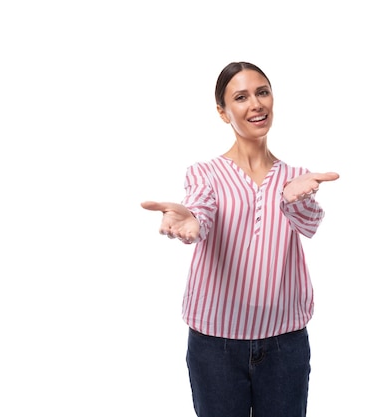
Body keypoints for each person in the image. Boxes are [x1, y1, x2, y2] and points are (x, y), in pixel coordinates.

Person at [140, 61, 339, 417]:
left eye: (262, 92)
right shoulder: (205, 173)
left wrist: (297, 198)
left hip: (285, 342)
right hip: (215, 345)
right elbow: (200, 211)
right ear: (223, 112)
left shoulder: (295, 176)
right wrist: (189, 221)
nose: (256, 104)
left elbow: (309, 226)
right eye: (241, 97)